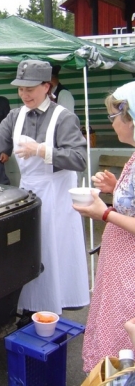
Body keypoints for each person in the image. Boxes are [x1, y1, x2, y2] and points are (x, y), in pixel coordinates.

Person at [0, 60, 90, 316]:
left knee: (54, 250)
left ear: (46, 86)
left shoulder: (63, 117)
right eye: (20, 89)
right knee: (29, 249)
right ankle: (31, 307)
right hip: (29, 193)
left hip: (58, 196)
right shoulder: (14, 116)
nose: (24, 94)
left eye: (30, 88)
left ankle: (57, 303)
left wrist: (42, 150)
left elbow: (80, 158)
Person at [72, 81, 135, 373]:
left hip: (130, 264)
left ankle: (119, 375)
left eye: (113, 116)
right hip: (119, 258)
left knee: (123, 325)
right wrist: (115, 189)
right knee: (112, 318)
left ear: (131, 117)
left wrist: (105, 213)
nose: (111, 123)